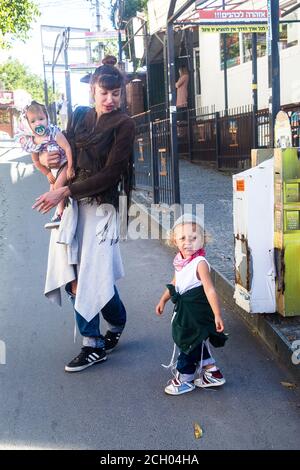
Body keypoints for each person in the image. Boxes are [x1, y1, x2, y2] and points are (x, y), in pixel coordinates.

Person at [32, 64, 135, 373]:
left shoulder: (124, 125)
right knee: (75, 274)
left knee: (92, 273)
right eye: (104, 93)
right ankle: (106, 329)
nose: (110, 100)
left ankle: (95, 343)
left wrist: (64, 192)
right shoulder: (78, 115)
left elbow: (111, 175)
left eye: (115, 94)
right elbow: (61, 150)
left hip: (102, 208)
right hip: (73, 204)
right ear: (93, 90)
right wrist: (44, 159)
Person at [155, 214, 227, 395]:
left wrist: (217, 314)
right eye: (182, 238)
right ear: (174, 241)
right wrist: (163, 299)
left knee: (188, 341)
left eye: (194, 238)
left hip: (196, 313)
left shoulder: (199, 263)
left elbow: (210, 290)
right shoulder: (180, 261)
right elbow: (175, 283)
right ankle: (212, 372)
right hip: (186, 312)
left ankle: (185, 378)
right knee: (196, 340)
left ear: (203, 240)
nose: (188, 243)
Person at [17, 100, 74, 229]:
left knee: (58, 186)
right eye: (33, 121)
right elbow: (36, 161)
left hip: (64, 164)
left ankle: (61, 215)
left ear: (47, 118)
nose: (38, 123)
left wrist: (70, 167)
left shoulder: (54, 133)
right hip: (52, 170)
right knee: (52, 189)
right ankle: (59, 211)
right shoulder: (33, 141)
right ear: (28, 125)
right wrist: (47, 173)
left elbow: (67, 148)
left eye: (41, 119)